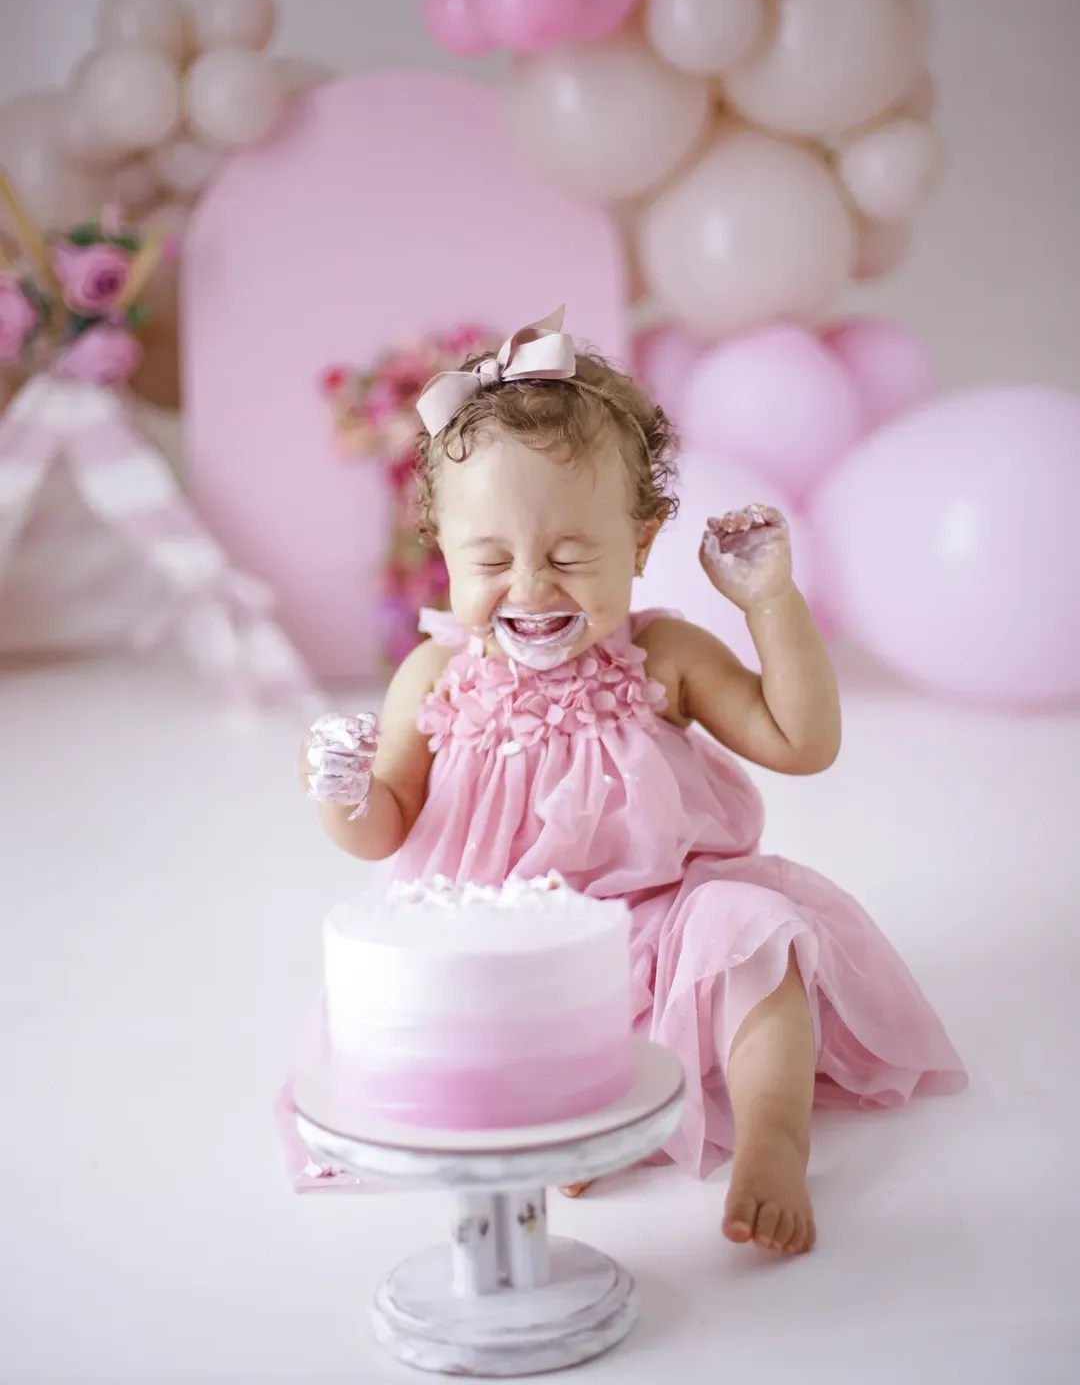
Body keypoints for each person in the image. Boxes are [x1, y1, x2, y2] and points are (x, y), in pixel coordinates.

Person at [299, 309, 966, 1255]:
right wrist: (343, 788)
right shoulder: (436, 678)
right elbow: (384, 828)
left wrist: (771, 601)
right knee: (469, 1013)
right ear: (441, 554)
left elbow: (799, 741)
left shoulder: (661, 653)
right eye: (489, 560)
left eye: (571, 556)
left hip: (661, 925)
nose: (530, 587)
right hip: (499, 944)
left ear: (643, 543)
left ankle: (773, 1144)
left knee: (754, 939)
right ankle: (561, 1120)